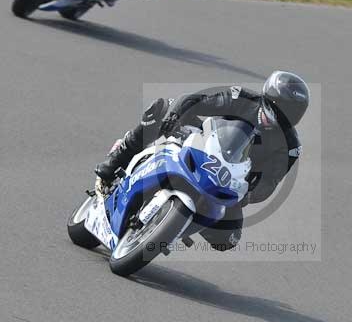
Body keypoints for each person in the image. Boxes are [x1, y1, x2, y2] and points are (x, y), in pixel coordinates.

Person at [95, 71, 310, 250]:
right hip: (198, 142)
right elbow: (195, 101)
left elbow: (270, 182)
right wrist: (175, 116)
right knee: (160, 110)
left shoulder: (290, 147)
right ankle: (116, 160)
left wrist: (248, 196)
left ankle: (180, 222)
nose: (279, 119)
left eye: (288, 116)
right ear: (267, 99)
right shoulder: (242, 98)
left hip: (229, 178)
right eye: (278, 111)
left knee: (228, 240)